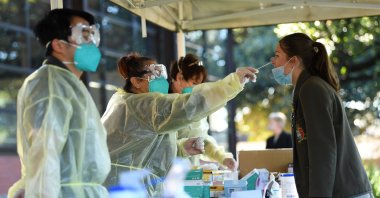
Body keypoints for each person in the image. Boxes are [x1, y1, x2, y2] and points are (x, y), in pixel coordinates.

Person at [101, 53, 257, 196]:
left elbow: (147, 149)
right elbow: (192, 104)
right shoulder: (144, 105)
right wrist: (233, 82)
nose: (161, 79)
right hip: (129, 188)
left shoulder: (123, 101)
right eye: (154, 74)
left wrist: (182, 148)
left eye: (161, 73)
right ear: (136, 81)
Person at [8, 9, 110, 198]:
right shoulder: (50, 84)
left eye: (93, 36)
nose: (92, 44)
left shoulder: (69, 85)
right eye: (83, 36)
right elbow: (45, 153)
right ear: (58, 44)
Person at [271, 32, 372, 198]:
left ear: (294, 60)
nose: (273, 62)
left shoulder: (312, 89)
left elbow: (322, 151)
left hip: (343, 192)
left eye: (277, 55)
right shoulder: (307, 87)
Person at [170, 54, 237, 170]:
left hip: (190, 173)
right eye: (195, 84)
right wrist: (182, 149)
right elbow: (161, 146)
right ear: (180, 77)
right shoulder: (164, 105)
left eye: (201, 84)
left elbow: (202, 139)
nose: (200, 88)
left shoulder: (194, 103)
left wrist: (222, 158)